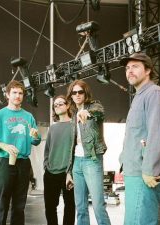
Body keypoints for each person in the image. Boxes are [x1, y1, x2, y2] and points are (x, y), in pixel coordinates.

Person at [119, 52, 160, 225]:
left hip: (144, 174)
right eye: (127, 68)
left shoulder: (155, 94)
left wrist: (149, 170)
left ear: (148, 70)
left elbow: (157, 134)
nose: (129, 71)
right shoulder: (140, 96)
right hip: (135, 171)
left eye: (135, 66)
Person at [0, 80, 41, 225]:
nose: (18, 96)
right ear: (7, 95)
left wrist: (35, 136)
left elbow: (36, 141)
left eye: (20, 93)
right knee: (2, 202)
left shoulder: (28, 117)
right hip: (5, 162)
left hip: (23, 162)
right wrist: (2, 145)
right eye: (14, 92)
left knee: (19, 204)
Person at [65, 79, 111, 225]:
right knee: (81, 206)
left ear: (85, 93)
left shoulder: (94, 105)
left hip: (91, 159)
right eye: (74, 92)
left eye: (80, 92)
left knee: (98, 205)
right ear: (71, 95)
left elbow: (99, 113)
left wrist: (87, 112)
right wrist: (68, 171)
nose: (77, 95)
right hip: (76, 162)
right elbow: (71, 145)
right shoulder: (72, 115)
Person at [43, 95, 75, 225]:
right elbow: (47, 149)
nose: (57, 106)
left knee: (70, 206)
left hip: (68, 174)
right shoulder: (53, 128)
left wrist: (71, 171)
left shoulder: (74, 126)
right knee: (50, 207)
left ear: (67, 105)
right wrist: (46, 165)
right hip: (51, 173)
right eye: (55, 105)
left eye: (60, 104)